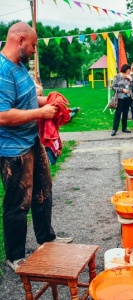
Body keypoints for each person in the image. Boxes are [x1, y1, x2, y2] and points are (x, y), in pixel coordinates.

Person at [0, 22, 73, 272]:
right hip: (12, 150)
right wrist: (41, 112)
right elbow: (2, 115)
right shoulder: (2, 70)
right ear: (20, 40)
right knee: (18, 203)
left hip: (31, 141)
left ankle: (47, 239)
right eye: (32, 46)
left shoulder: (20, 67)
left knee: (43, 191)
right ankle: (15, 256)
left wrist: (52, 101)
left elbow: (28, 100)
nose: (34, 51)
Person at [111, 64, 133, 136]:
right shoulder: (117, 76)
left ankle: (124, 128)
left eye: (129, 72)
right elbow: (113, 87)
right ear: (124, 70)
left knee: (125, 113)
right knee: (118, 113)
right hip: (119, 98)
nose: (128, 73)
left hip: (127, 98)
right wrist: (122, 90)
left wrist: (131, 80)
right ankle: (114, 129)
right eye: (128, 71)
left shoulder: (129, 77)